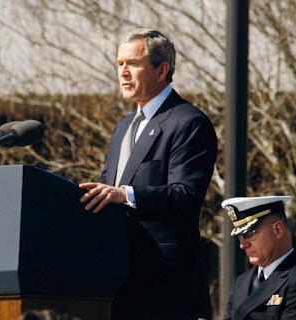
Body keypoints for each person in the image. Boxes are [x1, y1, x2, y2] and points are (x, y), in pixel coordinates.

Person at [79, 29, 217, 320]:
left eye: (133, 63)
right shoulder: (123, 128)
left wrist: (124, 194)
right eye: (119, 64)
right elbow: (106, 192)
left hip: (165, 287)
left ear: (162, 70)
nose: (124, 72)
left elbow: (185, 196)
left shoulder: (188, 122)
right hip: (120, 281)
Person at [221, 195, 296, 320]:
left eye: (251, 234)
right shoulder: (241, 283)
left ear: (278, 230)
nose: (243, 245)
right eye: (241, 237)